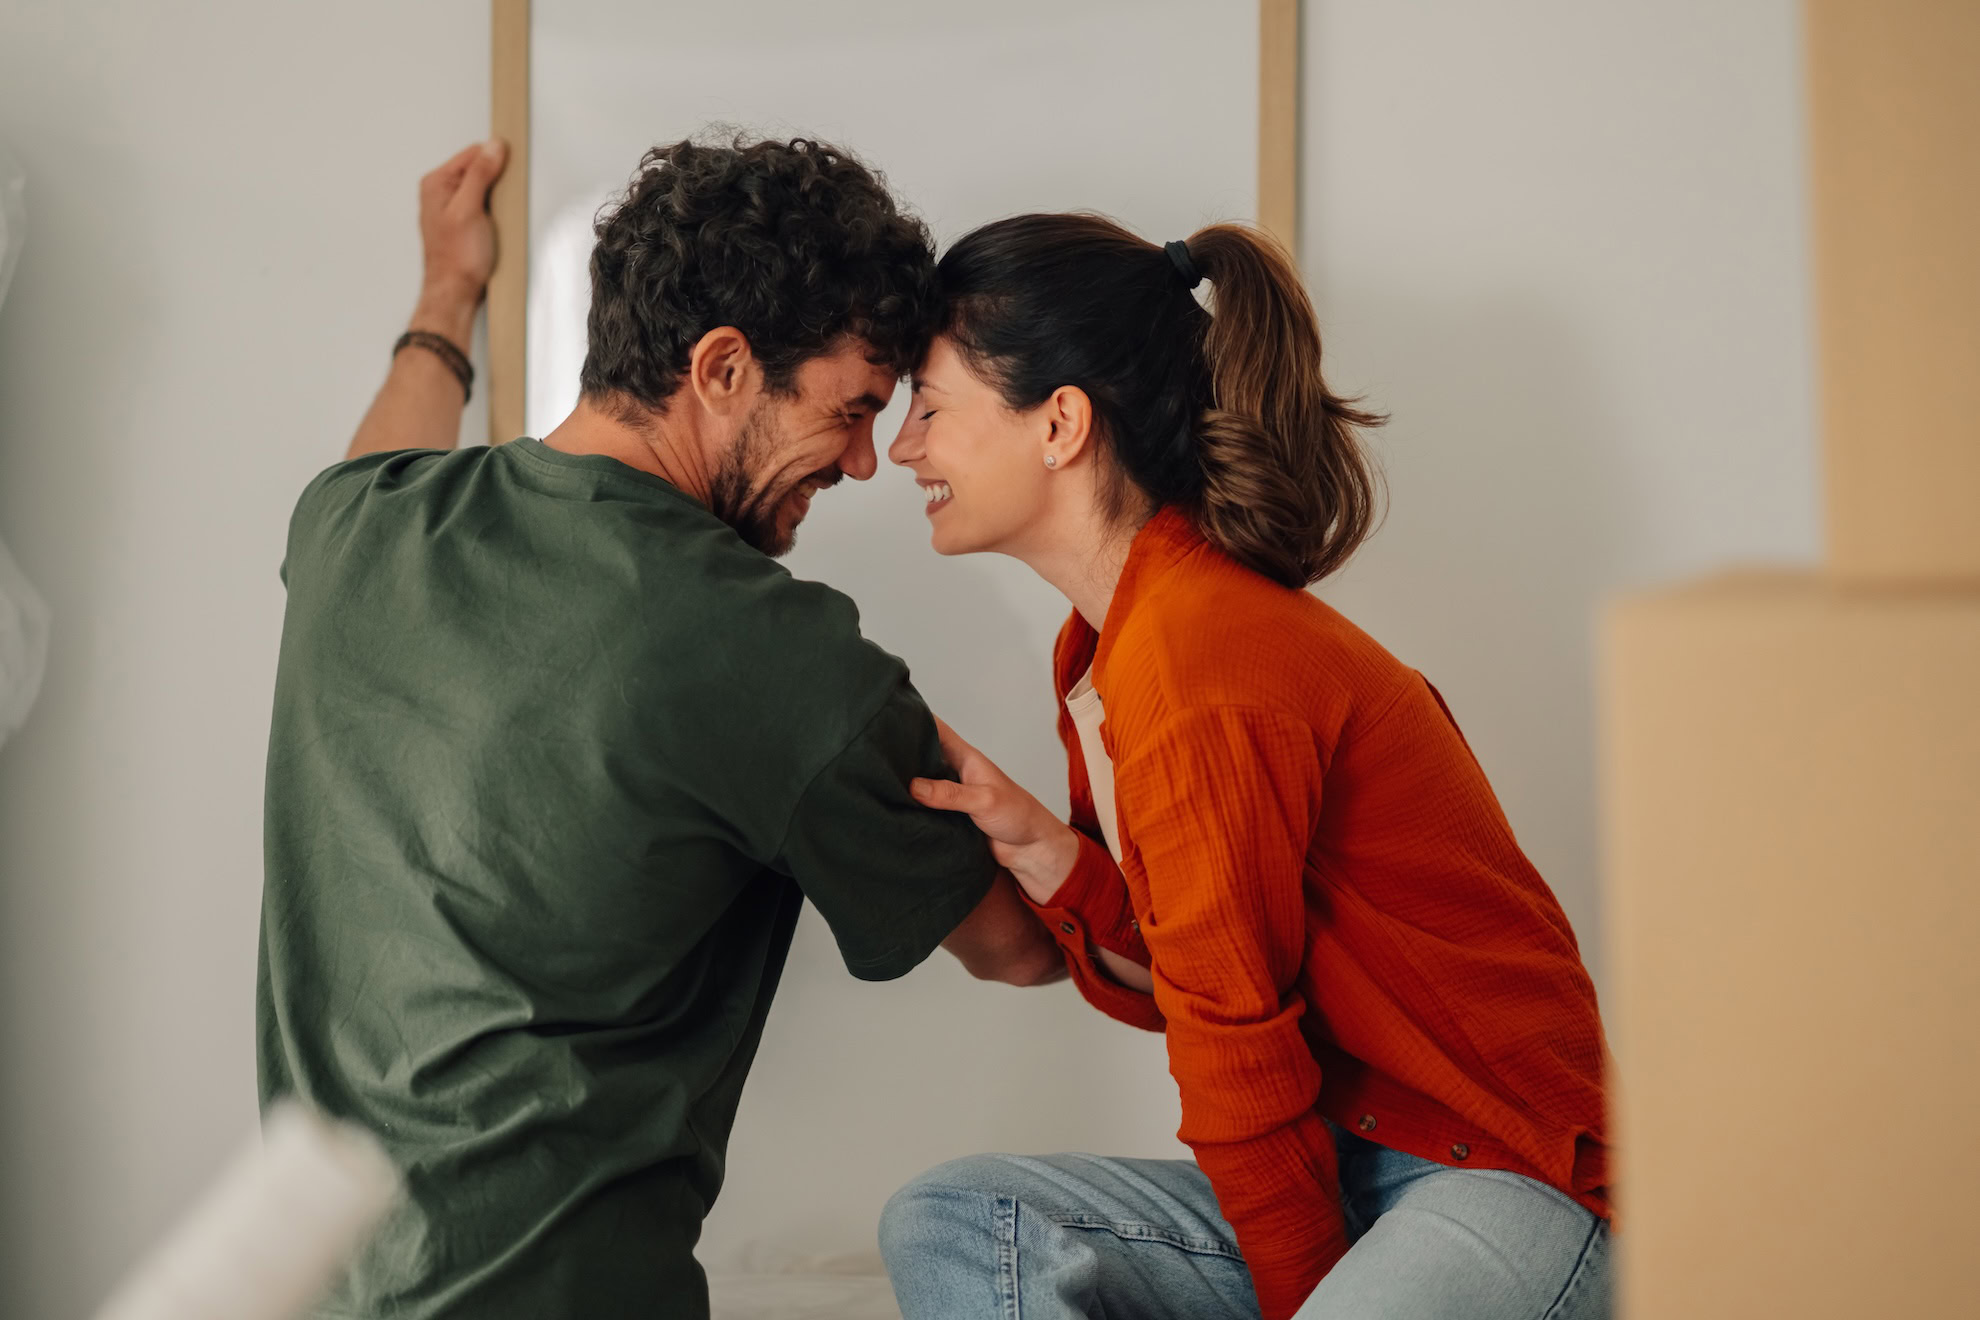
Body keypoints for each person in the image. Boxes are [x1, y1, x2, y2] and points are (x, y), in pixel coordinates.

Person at [257, 136, 1063, 1320]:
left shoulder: (352, 533)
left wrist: (447, 294)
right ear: (724, 366)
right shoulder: (780, 657)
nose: (862, 462)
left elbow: (391, 448)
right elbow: (1022, 947)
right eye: (850, 410)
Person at [877, 215, 1612, 1320]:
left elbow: (1235, 1050)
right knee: (953, 1218)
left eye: (930, 407)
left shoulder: (1197, 656)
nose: (902, 448)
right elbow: (1207, 971)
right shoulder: (1110, 646)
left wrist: (1301, 1299)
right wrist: (1058, 858)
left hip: (1507, 1175)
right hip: (1360, 1164)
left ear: (1061, 424)